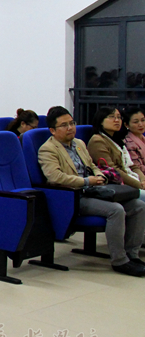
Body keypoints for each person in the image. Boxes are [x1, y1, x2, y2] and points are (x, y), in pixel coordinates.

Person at [39, 106, 145, 277]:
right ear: (52, 130)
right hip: (74, 196)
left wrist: (99, 175)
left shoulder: (79, 143)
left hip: (95, 190)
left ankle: (132, 254)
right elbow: (55, 177)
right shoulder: (48, 149)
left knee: (138, 206)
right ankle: (119, 260)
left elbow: (92, 165)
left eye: (72, 123)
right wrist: (87, 181)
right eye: (64, 125)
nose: (70, 128)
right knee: (116, 210)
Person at [87, 107, 144, 195]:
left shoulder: (117, 139)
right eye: (112, 117)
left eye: (119, 117)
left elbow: (132, 166)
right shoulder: (97, 141)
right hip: (118, 184)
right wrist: (139, 185)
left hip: (133, 179)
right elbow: (113, 170)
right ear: (101, 121)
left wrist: (143, 180)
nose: (117, 120)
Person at [124, 107, 145, 174]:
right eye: (136, 122)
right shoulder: (128, 142)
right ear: (126, 125)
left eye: (143, 120)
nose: (141, 124)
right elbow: (137, 167)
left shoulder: (143, 138)